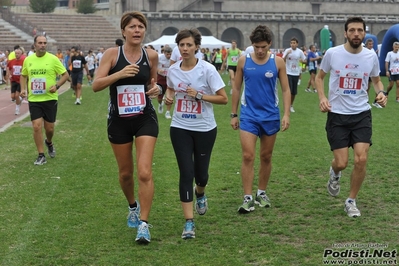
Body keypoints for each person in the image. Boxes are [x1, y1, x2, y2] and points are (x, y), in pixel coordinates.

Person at [92, 11, 161, 244]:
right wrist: (119, 73)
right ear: (123, 31)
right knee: (125, 173)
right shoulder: (112, 54)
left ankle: (143, 223)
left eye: (141, 26)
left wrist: (156, 91)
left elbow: (154, 84)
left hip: (144, 117)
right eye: (132, 26)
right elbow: (96, 85)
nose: (137, 30)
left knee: (144, 171)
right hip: (118, 120)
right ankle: (133, 205)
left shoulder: (151, 55)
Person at [315, 17, 387, 218]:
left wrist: (381, 93)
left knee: (361, 159)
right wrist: (322, 97)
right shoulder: (332, 54)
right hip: (337, 115)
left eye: (360, 30)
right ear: (345, 33)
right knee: (342, 163)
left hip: (361, 114)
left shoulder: (370, 55)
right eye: (352, 30)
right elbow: (319, 78)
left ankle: (351, 200)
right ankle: (335, 173)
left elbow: (376, 81)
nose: (356, 34)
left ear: (364, 33)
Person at [164, 28, 228, 239]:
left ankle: (200, 193)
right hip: (180, 126)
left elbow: (223, 98)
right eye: (181, 45)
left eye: (188, 45)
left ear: (196, 47)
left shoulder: (207, 70)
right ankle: (189, 223)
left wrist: (200, 95)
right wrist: (169, 97)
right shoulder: (173, 70)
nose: (184, 49)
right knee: (186, 173)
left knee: (201, 175)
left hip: (204, 129)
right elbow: (171, 88)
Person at [230, 25, 290, 214]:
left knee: (266, 156)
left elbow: (286, 89)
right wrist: (234, 114)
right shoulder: (243, 61)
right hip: (249, 115)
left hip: (271, 116)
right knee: (248, 155)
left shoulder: (278, 62)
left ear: (270, 44)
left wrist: (286, 114)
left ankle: (261, 193)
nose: (260, 50)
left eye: (263, 46)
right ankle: (247, 197)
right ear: (252, 45)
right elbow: (237, 88)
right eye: (257, 47)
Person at [20, 35, 69, 165]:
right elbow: (23, 75)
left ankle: (49, 142)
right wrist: (23, 89)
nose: (43, 45)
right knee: (36, 126)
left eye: (44, 43)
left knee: (50, 129)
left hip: (49, 99)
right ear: (35, 45)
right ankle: (41, 155)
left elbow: (65, 75)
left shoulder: (53, 59)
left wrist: (57, 86)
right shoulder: (28, 60)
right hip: (34, 99)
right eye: (40, 43)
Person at [282, 37, 307, 113]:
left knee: (293, 92)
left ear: (297, 44)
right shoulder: (287, 50)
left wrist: (303, 63)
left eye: (294, 43)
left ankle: (291, 105)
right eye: (291, 43)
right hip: (288, 72)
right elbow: (282, 60)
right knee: (289, 89)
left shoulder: (300, 52)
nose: (292, 44)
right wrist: (286, 54)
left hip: (296, 73)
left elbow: (305, 61)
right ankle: (287, 105)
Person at [6, 47, 25, 115]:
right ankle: (20, 99)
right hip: (13, 80)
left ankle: (17, 109)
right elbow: (8, 67)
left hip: (20, 80)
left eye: (18, 53)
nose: (16, 54)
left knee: (17, 95)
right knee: (13, 97)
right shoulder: (12, 61)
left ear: (21, 54)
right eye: (15, 53)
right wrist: (9, 74)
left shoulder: (24, 60)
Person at [156, 46, 173, 118]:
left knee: (170, 95)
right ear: (164, 53)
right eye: (167, 54)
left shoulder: (173, 59)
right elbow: (154, 66)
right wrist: (158, 70)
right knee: (160, 96)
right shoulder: (159, 57)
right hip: (161, 77)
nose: (169, 56)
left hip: (170, 77)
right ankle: (160, 104)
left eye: (170, 54)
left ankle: (168, 112)